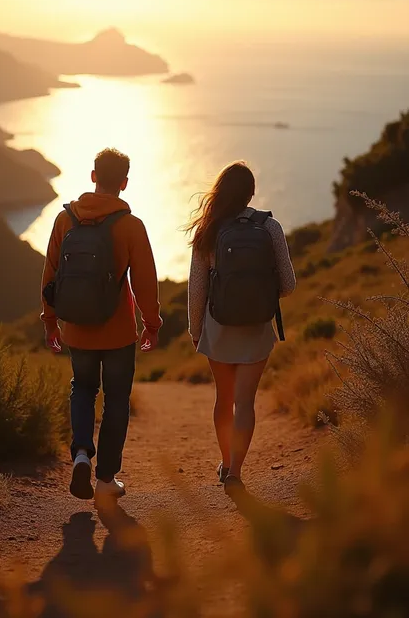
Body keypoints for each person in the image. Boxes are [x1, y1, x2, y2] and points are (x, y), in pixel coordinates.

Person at [41, 148, 162, 502]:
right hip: (119, 330)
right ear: (124, 182)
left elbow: (50, 274)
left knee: (82, 388)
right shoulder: (130, 225)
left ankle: (81, 453)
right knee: (116, 399)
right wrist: (151, 325)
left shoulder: (66, 220)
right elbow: (145, 283)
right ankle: (106, 479)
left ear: (93, 176)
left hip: (76, 327)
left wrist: (50, 322)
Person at [186, 161, 295, 495]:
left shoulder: (209, 230)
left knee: (225, 399)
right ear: (251, 193)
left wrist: (195, 330)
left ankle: (224, 461)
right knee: (245, 403)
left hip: (218, 328)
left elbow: (197, 290)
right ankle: (235, 470)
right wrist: (259, 293)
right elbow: (289, 283)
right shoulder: (270, 227)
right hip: (257, 329)